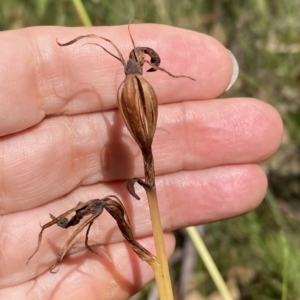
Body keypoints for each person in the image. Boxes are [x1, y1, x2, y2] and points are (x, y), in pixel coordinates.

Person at [0, 24, 283, 299]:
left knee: (112, 200)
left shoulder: (134, 87)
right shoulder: (135, 87)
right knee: (107, 203)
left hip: (142, 138)